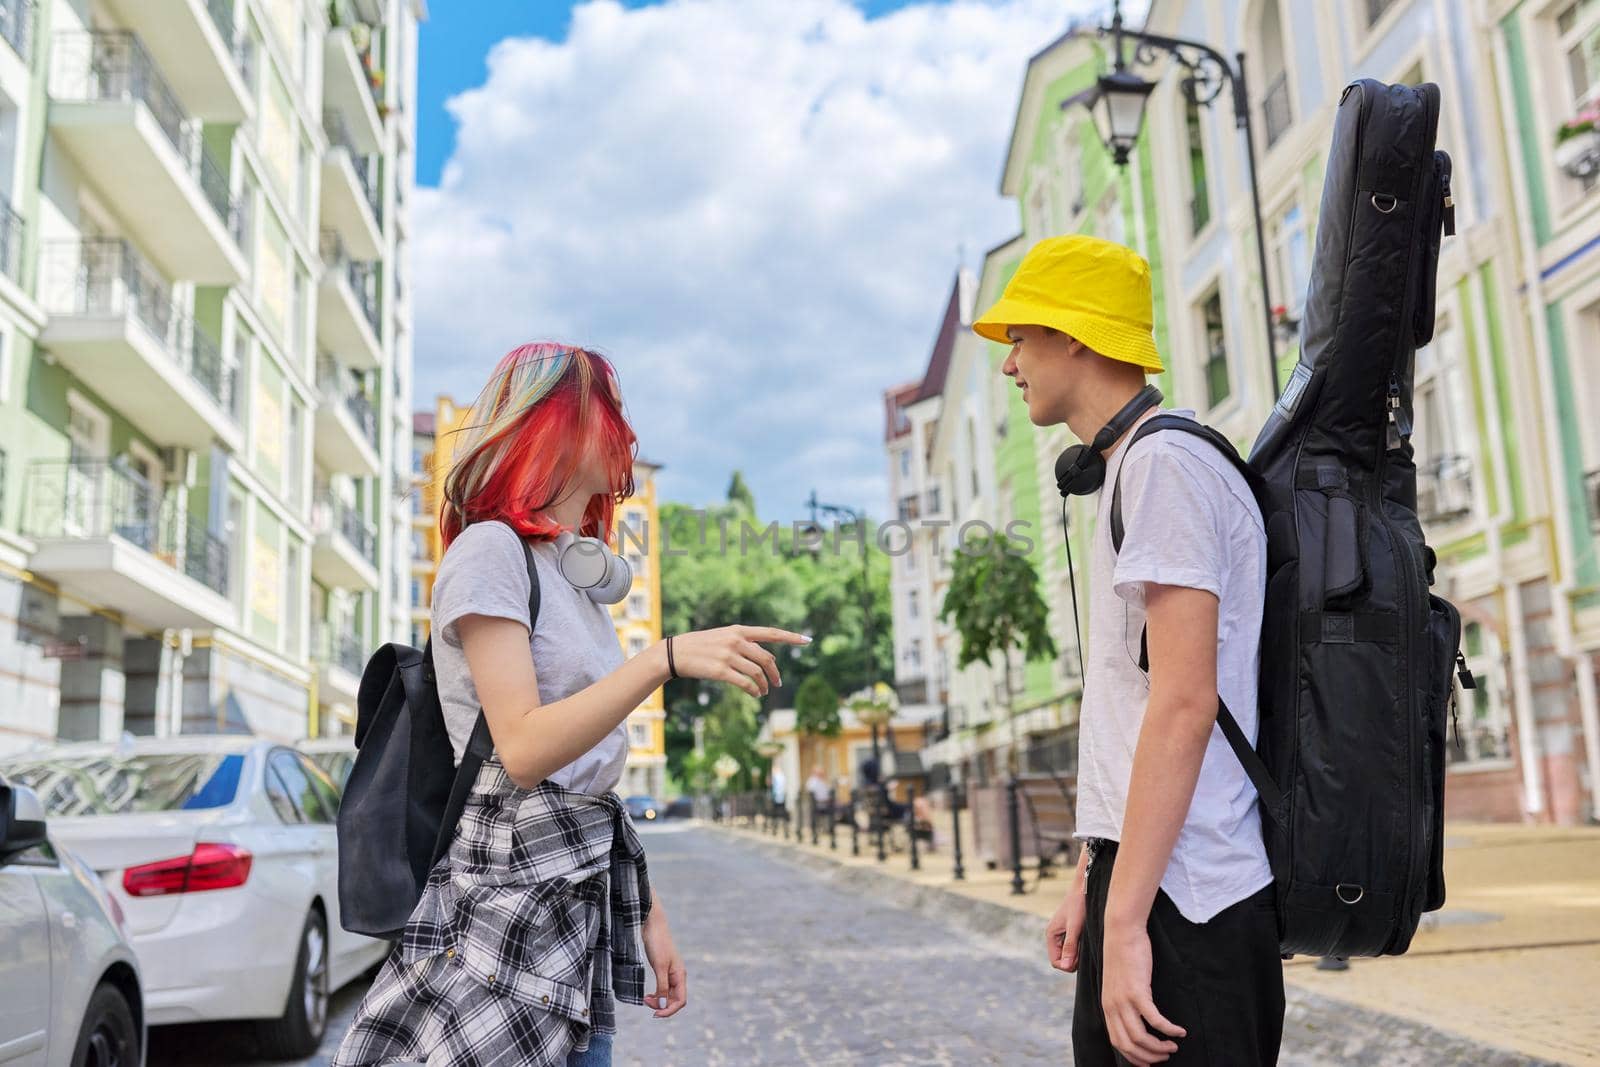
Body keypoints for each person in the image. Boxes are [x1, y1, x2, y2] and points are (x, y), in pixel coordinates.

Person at [333, 343, 808, 1067]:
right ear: (556, 424)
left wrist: (647, 913)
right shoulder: (491, 551)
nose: (625, 431)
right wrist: (665, 658)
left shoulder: (571, 573)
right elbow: (522, 749)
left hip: (570, 915)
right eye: (608, 411)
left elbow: (588, 774)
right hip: (502, 909)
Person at [972, 235, 1282, 1066]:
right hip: (1148, 882)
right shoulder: (1130, 468)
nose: (1010, 365)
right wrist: (1090, 874)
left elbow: (1183, 702)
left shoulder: (1166, 465)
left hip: (1190, 896)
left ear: (1074, 334)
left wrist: (1126, 920)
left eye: (1019, 338)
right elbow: (1131, 702)